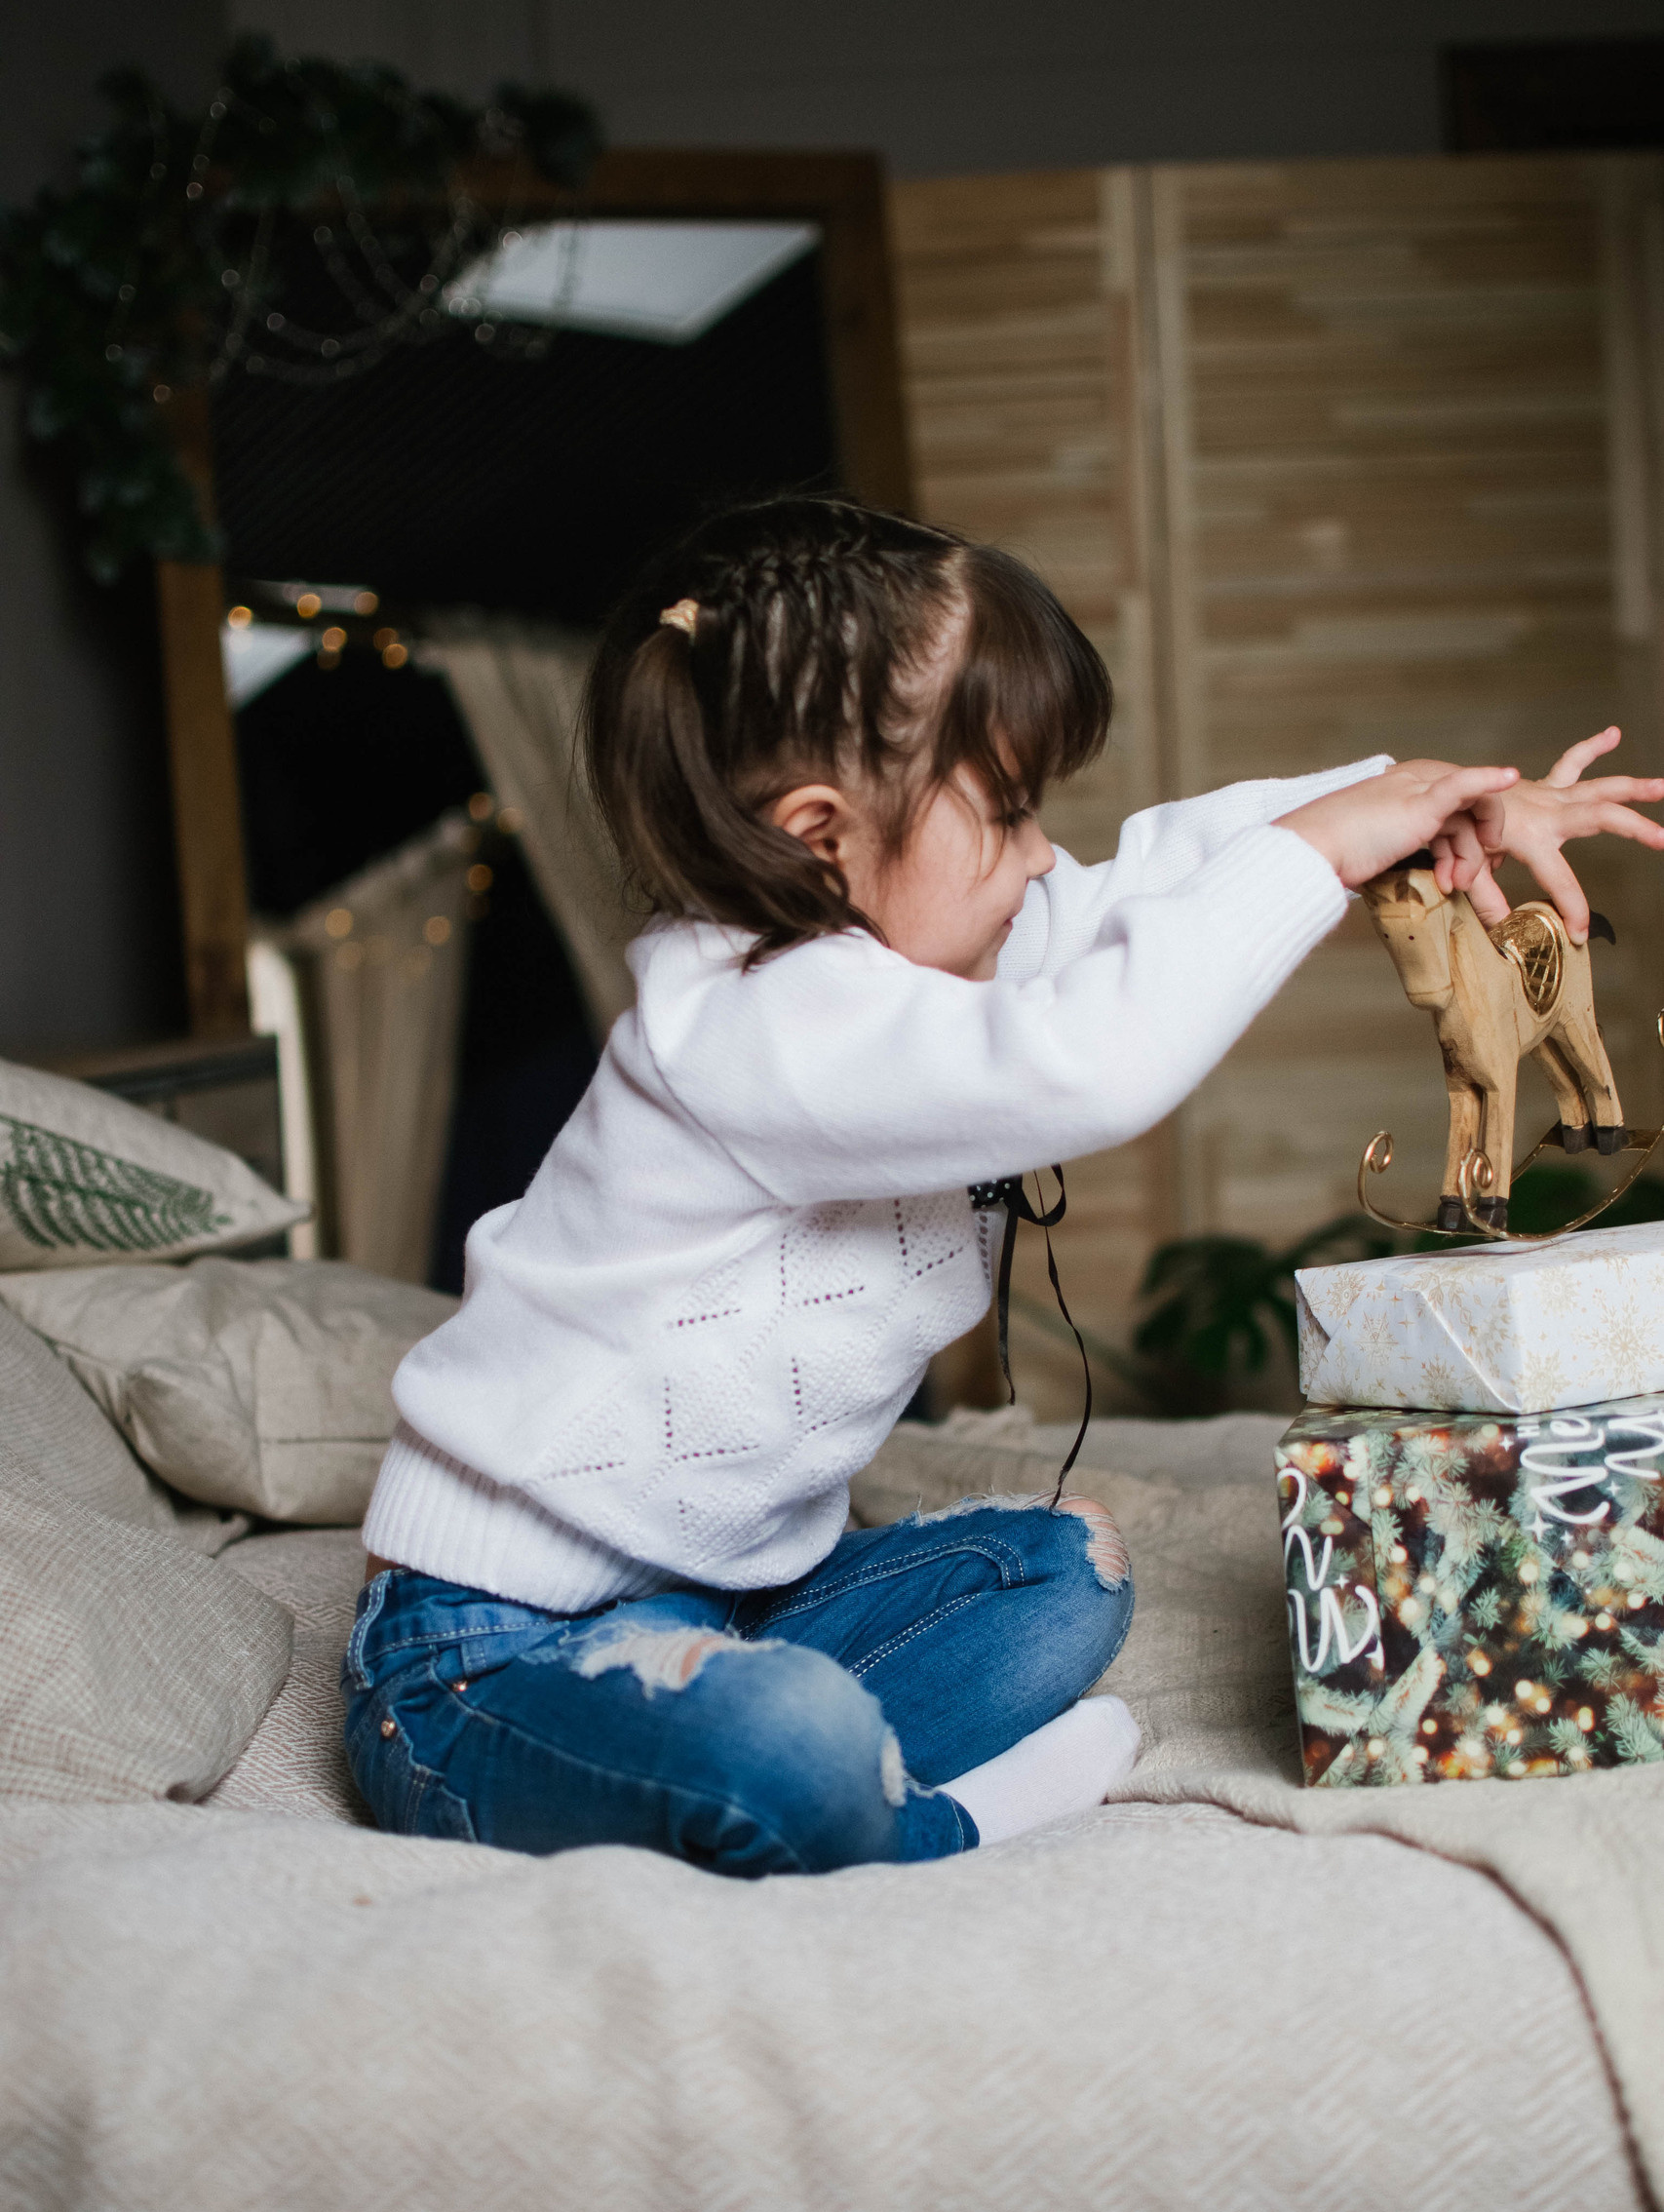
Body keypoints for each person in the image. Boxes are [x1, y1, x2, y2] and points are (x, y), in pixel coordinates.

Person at [342, 496, 1664, 1876]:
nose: (1043, 855)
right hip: (482, 1658)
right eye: (1012, 809)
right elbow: (1095, 1062)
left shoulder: (934, 955)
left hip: (724, 1612)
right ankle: (935, 1819)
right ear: (819, 836)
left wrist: (1420, 800)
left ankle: (801, 1738)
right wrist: (1317, 850)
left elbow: (1147, 880)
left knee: (1060, 1577)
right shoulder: (749, 1026)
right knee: (784, 1747)